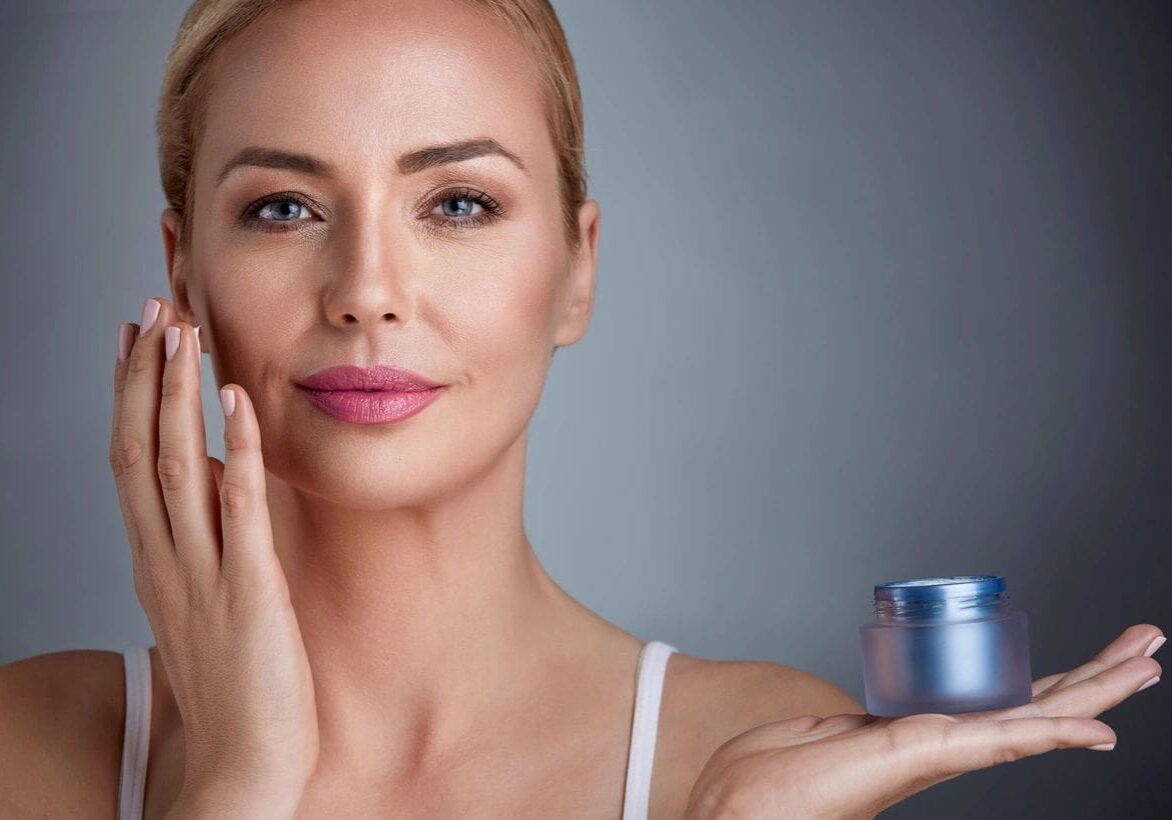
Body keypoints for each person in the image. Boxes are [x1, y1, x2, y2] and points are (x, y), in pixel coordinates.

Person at [0, 1, 1161, 817]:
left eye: (455, 202)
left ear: (575, 272)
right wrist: (237, 786)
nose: (364, 293)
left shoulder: (741, 745)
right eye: (284, 208)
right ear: (184, 268)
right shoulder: (30, 746)